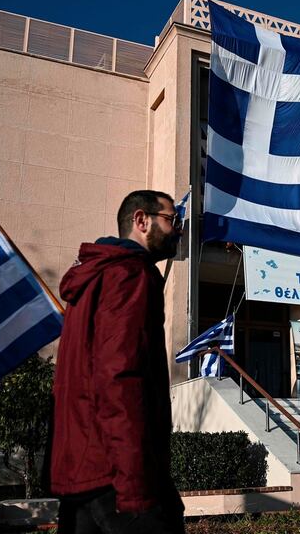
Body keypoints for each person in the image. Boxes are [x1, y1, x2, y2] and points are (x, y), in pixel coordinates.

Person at [50, 190, 185, 534]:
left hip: (81, 473)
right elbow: (119, 376)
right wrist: (134, 481)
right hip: (119, 476)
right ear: (141, 221)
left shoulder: (94, 278)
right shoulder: (129, 274)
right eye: (172, 220)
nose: (179, 229)